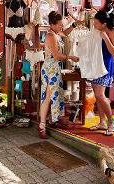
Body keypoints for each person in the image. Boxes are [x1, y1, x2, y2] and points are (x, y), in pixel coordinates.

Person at [38, 11, 79, 139]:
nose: (61, 26)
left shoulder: (56, 33)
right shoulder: (50, 35)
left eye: (62, 24)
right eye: (60, 24)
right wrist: (70, 57)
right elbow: (57, 56)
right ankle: (42, 125)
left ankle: (53, 120)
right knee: (48, 96)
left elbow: (65, 33)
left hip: (53, 68)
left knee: (55, 95)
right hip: (50, 68)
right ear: (52, 24)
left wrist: (74, 24)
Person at [89, 10, 114, 136]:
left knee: (100, 95)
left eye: (96, 23)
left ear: (104, 24)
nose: (94, 25)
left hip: (106, 65)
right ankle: (102, 122)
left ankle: (111, 122)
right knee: (97, 96)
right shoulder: (96, 30)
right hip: (95, 65)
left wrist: (106, 38)